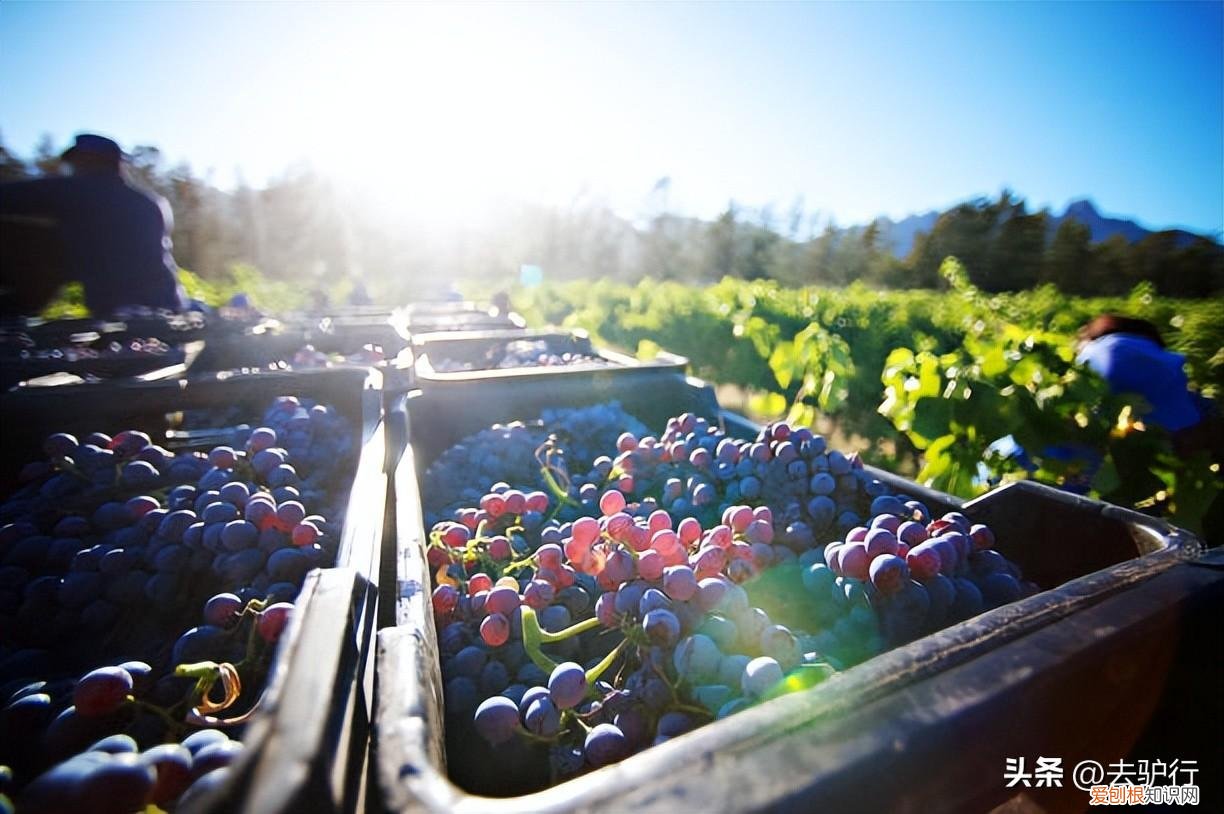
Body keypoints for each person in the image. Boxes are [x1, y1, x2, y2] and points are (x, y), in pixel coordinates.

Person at [0, 133, 186, 316]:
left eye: (73, 163)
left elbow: (9, 197)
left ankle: (12, 315)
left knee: (26, 234)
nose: (71, 170)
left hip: (119, 312)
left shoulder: (76, 191)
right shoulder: (153, 203)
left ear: (88, 160)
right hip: (170, 304)